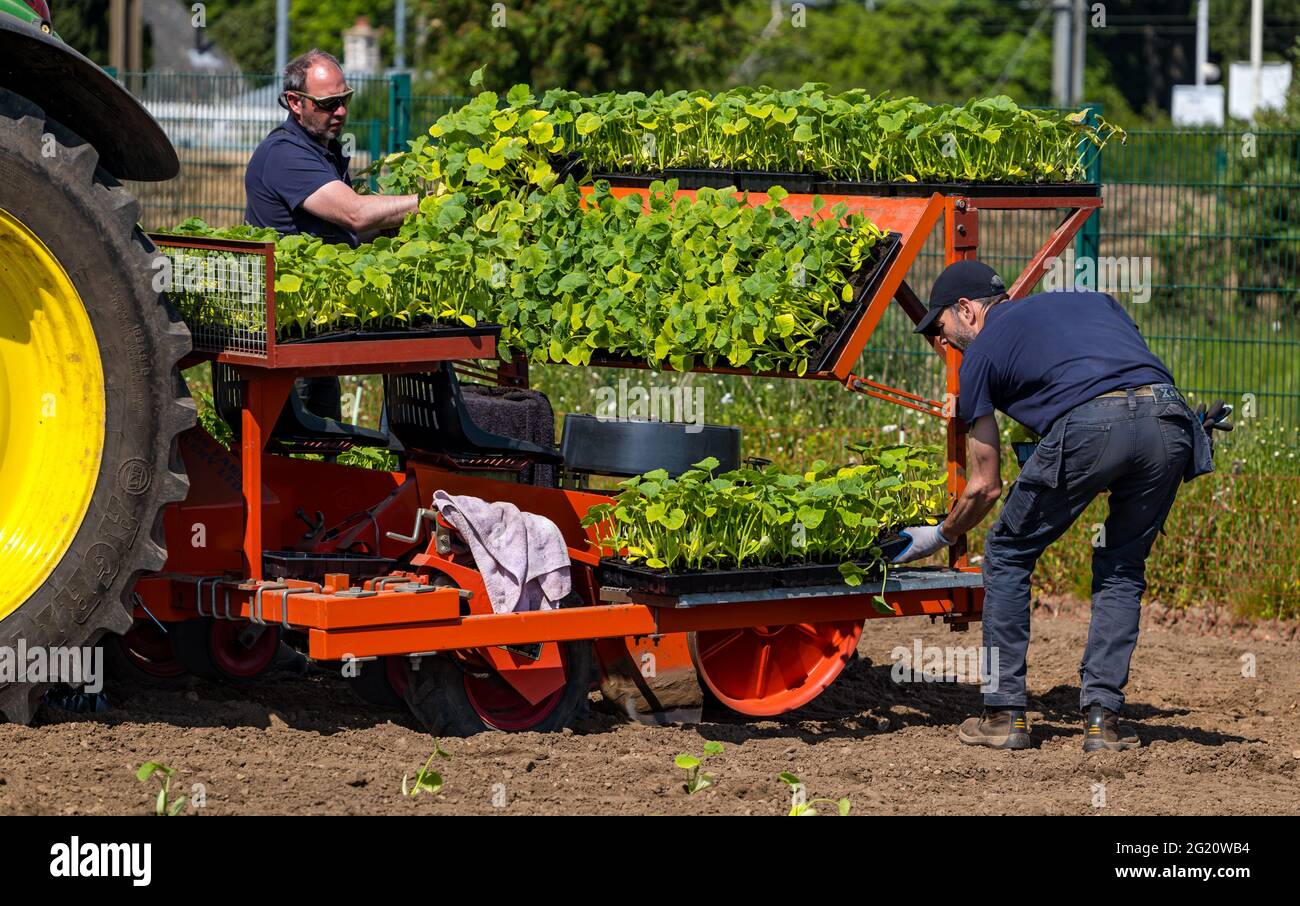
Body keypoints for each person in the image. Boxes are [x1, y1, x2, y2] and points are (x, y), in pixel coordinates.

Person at [892, 260, 1228, 753]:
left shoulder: (981, 354)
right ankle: (1102, 723)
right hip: (1170, 417)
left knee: (1006, 553)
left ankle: (1005, 715)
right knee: (1122, 565)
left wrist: (939, 535)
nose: (944, 344)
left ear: (967, 310)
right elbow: (1106, 376)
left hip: (1096, 423)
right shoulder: (1093, 302)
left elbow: (984, 486)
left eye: (942, 329)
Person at [244, 49, 418, 418]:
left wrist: (393, 227)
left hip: (314, 327)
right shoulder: (285, 154)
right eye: (328, 103)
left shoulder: (324, 151)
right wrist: (430, 202)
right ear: (295, 102)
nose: (340, 111)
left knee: (320, 440)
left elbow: (349, 232)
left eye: (345, 100)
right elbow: (354, 214)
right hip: (288, 334)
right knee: (292, 445)